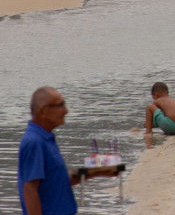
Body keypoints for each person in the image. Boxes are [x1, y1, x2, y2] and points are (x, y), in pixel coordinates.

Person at [19, 87, 116, 215]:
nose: (66, 111)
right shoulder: (34, 141)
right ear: (43, 111)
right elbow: (30, 189)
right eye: (60, 106)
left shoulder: (46, 138)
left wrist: (99, 170)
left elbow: (59, 181)